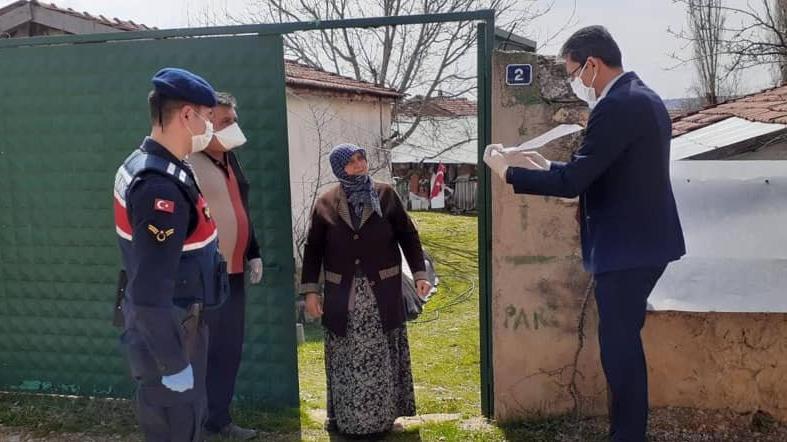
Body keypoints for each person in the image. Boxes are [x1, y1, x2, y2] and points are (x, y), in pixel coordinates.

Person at [484, 26, 686, 442]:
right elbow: (594, 170)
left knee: (619, 348)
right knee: (621, 342)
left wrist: (509, 174)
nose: (575, 83)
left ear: (592, 65)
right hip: (640, 243)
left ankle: (627, 435)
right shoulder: (641, 97)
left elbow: (576, 182)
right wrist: (544, 165)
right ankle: (627, 432)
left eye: (574, 72)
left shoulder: (617, 106)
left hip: (627, 248)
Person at [113, 67, 228, 442]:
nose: (210, 126)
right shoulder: (158, 187)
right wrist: (174, 363)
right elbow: (148, 292)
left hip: (177, 323)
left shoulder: (153, 165)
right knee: (178, 427)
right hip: (171, 331)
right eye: (208, 117)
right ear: (186, 115)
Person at [300, 143, 432, 438]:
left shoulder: (385, 195)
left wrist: (420, 272)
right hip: (342, 293)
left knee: (380, 354)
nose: (360, 165)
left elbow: (407, 234)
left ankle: (381, 418)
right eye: (352, 162)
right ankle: (347, 418)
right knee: (347, 357)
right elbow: (313, 250)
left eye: (361, 159)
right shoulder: (326, 202)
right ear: (339, 168)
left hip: (381, 290)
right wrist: (311, 291)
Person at [189, 92, 262, 440]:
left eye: (234, 119)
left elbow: (241, 207)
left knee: (228, 349)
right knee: (200, 352)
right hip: (204, 277)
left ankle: (220, 420)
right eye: (225, 122)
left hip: (234, 275)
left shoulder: (230, 160)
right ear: (206, 125)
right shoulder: (188, 163)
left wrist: (253, 252)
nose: (233, 127)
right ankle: (194, 424)